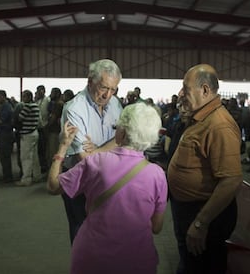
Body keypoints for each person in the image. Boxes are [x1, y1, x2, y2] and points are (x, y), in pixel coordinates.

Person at [47, 102, 167, 274]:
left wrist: (63, 146)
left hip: (93, 257)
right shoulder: (158, 175)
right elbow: (156, 227)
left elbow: (53, 186)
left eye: (117, 126)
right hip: (138, 260)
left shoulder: (96, 162)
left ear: (123, 132)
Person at [167, 64, 243, 274]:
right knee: (190, 261)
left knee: (203, 266)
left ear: (205, 90)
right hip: (188, 208)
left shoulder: (219, 125)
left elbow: (231, 180)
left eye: (186, 88)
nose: (181, 93)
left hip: (204, 212)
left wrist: (200, 223)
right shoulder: (200, 117)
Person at [60, 58, 123, 244]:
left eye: (113, 89)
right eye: (104, 87)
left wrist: (98, 149)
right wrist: (112, 146)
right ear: (90, 81)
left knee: (106, 234)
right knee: (82, 232)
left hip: (109, 180)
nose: (108, 95)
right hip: (81, 182)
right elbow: (85, 160)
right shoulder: (74, 109)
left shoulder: (115, 104)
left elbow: (125, 138)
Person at [15, 90, 41, 186]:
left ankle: (26, 179)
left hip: (27, 134)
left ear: (28, 97)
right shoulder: (36, 106)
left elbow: (20, 118)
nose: (22, 98)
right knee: (34, 156)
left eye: (24, 96)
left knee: (25, 157)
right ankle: (37, 176)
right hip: (34, 132)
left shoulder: (27, 107)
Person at [0, 90, 14, 183]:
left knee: (5, 156)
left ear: (3, 96)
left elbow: (1, 120)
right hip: (1, 132)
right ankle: (6, 174)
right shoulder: (3, 106)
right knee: (3, 156)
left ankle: (8, 176)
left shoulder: (6, 107)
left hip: (6, 133)